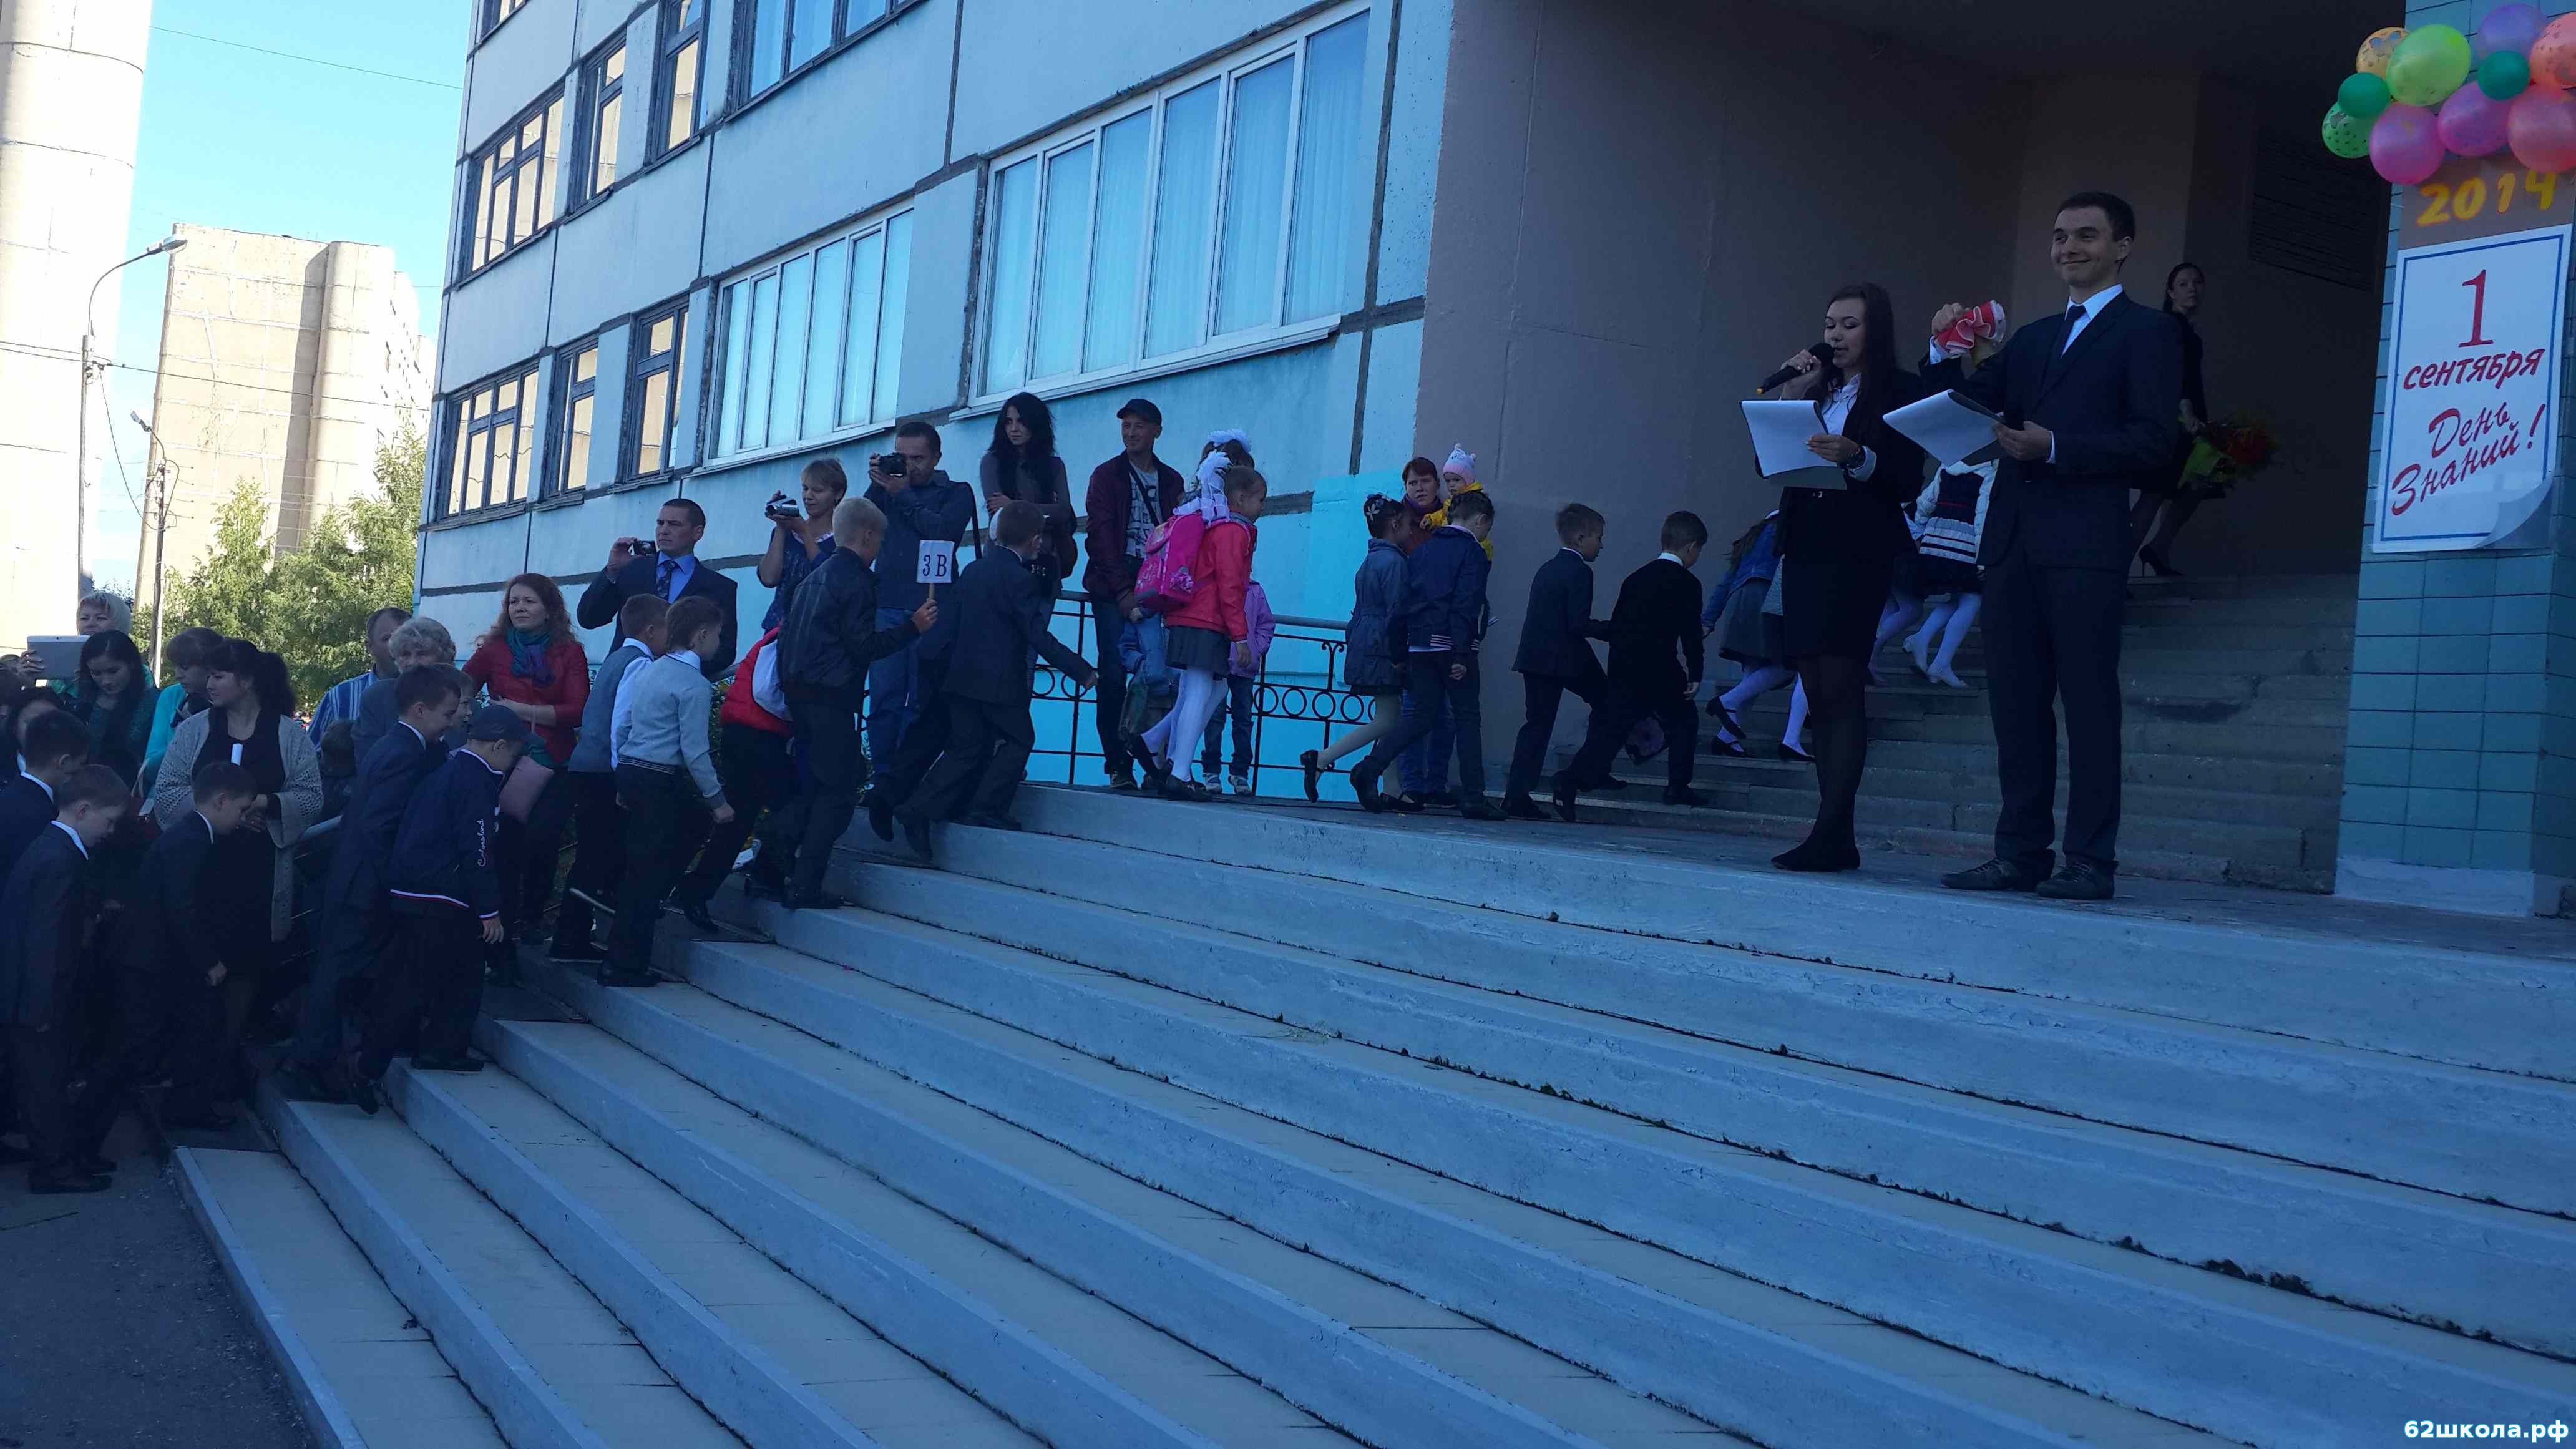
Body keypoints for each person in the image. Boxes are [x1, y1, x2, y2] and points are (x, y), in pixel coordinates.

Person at [1926, 191, 2183, 902]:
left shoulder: (2149, 332)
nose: (2069, 247)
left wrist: (2058, 446)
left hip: (2086, 546)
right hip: (2011, 543)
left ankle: (2091, 861)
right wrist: (1943, 351)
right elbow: (1965, 407)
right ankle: (2019, 854)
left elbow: (2156, 443)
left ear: (2122, 247)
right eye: (2061, 235)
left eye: (2087, 235)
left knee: (2090, 707)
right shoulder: (2035, 338)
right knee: (2016, 707)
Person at [1759, 282, 1931, 873]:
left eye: (1849, 324)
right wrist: (1791, 397)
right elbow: (1771, 463)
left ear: (1874, 331)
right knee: (1814, 684)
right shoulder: (1817, 389)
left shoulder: (1900, 390)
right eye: (1830, 324)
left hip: (1857, 549)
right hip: (1805, 543)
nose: (1835, 335)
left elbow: (1907, 477)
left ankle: (1832, 832)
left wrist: (1856, 456)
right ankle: (1835, 832)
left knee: (1840, 685)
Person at [283, 665, 465, 1097]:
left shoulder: (396, 746)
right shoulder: (404, 753)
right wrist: (395, 883)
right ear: (420, 710)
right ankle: (311, 1062)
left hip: (358, 880)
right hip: (366, 886)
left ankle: (319, 1059)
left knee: (339, 972)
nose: (453, 722)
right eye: (448, 713)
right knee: (338, 975)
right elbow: (381, 826)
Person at [150, 641, 321, 1078]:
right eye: (208, 675)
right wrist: (219, 812)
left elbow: (310, 795)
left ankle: (222, 1065)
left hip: (258, 874)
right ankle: (181, 1066)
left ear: (247, 681)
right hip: (199, 869)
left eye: (218, 676)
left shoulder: (288, 734)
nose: (208, 684)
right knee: (192, 964)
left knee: (245, 967)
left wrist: (263, 803)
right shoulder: (195, 730)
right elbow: (166, 789)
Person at [892, 501, 1098, 862]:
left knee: (965, 748)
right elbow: (1037, 635)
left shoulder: (974, 570)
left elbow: (952, 624)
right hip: (1000, 683)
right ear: (1034, 541)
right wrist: (1080, 670)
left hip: (961, 679)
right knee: (1020, 739)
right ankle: (985, 807)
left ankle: (919, 808)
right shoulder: (1022, 580)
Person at [352, 705, 527, 1102]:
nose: (514, 763)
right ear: (499, 747)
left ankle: (442, 1046)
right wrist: (490, 909)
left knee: (457, 972)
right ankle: (368, 1066)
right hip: (443, 895)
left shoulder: (448, 769)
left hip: (416, 889)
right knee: (416, 981)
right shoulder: (476, 780)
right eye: (515, 754)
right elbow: (477, 847)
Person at [779, 496, 937, 907]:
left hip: (800, 695)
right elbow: (863, 646)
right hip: (833, 697)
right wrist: (912, 628)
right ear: (868, 536)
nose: (880, 549)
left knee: (810, 788)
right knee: (838, 793)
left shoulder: (815, 576)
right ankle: (805, 885)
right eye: (879, 541)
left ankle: (770, 869)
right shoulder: (858, 581)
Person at [92, 760, 263, 1136]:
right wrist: (209, 962)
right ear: (221, 801)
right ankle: (84, 1133)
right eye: (241, 810)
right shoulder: (191, 841)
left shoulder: (191, 835)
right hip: (149, 961)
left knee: (195, 1028)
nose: (243, 819)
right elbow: (180, 906)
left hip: (155, 958)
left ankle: (185, 1105)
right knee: (130, 1050)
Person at [0, 764, 126, 1193]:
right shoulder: (60, 859)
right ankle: (53, 1170)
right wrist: (42, 1009)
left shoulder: (50, 848)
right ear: (84, 810)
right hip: (39, 1001)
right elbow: (45, 941)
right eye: (109, 821)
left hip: (34, 996)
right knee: (45, 1087)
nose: (110, 831)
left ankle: (60, 1161)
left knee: (45, 1084)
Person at [604, 597, 732, 987]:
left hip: (633, 770)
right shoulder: (694, 684)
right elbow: (695, 751)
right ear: (702, 635)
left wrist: (622, 776)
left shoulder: (648, 669)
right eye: (718, 635)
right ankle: (625, 965)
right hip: (659, 776)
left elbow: (622, 723)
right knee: (649, 871)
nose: (719, 643)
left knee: (647, 861)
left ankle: (625, 950)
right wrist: (718, 801)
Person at [1353, 488, 1503, 820]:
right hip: (1452, 646)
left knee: (1420, 717)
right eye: (1487, 528)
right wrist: (1461, 655)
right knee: (1467, 718)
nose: (1485, 534)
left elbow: (1400, 608)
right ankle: (1474, 797)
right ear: (1480, 521)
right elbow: (1465, 605)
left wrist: (1399, 653)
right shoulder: (1473, 553)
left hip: (1419, 646)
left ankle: (1370, 768)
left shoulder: (1422, 551)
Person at [1555, 512, 1711, 822]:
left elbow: (1619, 626)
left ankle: (1571, 780)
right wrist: (1696, 673)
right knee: (1684, 721)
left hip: (1624, 667)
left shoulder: (1635, 578)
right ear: (1692, 547)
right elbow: (1691, 635)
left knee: (1611, 731)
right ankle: (1678, 786)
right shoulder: (1688, 583)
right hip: (1661, 668)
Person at [464, 574, 590, 943]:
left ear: (550, 609)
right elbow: (460, 689)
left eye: (529, 601)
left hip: (555, 761)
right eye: (513, 602)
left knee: (543, 840)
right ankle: (500, 924)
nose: (519, 608)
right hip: (502, 761)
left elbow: (577, 711)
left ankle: (533, 918)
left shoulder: (569, 652)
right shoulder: (494, 649)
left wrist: (518, 710)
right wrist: (479, 721)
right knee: (504, 843)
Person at [1138, 460, 1267, 799]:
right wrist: (1240, 637)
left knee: (1216, 689)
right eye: (1260, 499)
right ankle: (1179, 772)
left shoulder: (1215, 525)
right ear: (1240, 498)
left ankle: (1156, 743)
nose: (1263, 507)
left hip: (1190, 616)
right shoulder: (1233, 532)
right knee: (1198, 690)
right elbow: (1231, 587)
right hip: (1205, 620)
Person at [555, 595, 668, 964]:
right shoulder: (639, 663)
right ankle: (572, 937)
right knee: (599, 854)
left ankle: (570, 936)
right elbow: (623, 723)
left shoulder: (616, 658)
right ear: (651, 630)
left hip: (587, 765)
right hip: (605, 770)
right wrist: (624, 778)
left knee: (592, 854)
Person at [1081, 398, 1187, 789]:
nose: (1131, 433)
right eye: (1126, 426)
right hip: (1116, 580)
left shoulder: (1172, 480)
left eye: (1139, 426)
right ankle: (1117, 763)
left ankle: (1155, 764)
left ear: (1157, 430)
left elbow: (1180, 534)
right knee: (1113, 672)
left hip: (1158, 582)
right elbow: (1100, 538)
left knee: (1162, 672)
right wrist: (1122, 590)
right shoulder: (1106, 475)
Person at [865, 420, 975, 759]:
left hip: (933, 608)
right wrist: (877, 484)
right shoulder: (887, 490)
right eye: (902, 457)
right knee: (883, 701)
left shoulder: (956, 492)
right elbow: (860, 526)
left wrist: (903, 495)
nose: (909, 466)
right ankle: (883, 778)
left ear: (937, 458)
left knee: (922, 701)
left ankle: (911, 777)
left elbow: (943, 534)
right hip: (888, 605)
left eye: (918, 458)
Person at [671, 623, 796, 925]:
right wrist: (800, 717)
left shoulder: (779, 635)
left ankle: (696, 889)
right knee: (792, 804)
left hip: (740, 730)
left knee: (739, 818)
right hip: (759, 734)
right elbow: (767, 691)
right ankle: (766, 872)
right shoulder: (788, 637)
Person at [1300, 497, 1417, 802]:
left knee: (1389, 715)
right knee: (1388, 720)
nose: (1410, 531)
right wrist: (1400, 654)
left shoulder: (1370, 561)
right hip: (1383, 646)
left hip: (1366, 641)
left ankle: (1392, 788)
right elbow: (1397, 612)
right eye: (1407, 525)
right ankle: (1323, 758)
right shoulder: (1395, 562)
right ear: (1395, 525)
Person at [1399, 445, 1492, 809]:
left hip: (1438, 635)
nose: (1419, 488)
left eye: (1426, 481)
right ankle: (1412, 785)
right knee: (1419, 714)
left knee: (1444, 718)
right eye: (1412, 482)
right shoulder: (1400, 521)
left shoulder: (1452, 521)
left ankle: (1434, 783)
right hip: (1429, 635)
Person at [1504, 504, 1612, 818]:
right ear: (1581, 538)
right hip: (1566, 659)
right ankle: (1592, 769)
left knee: (1536, 726)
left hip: (1535, 658)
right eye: (1598, 538)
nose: (1601, 545)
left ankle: (1516, 795)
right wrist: (1613, 630)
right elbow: (1577, 624)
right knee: (1608, 704)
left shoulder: (1547, 568)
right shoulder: (1581, 572)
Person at [578, 498, 739, 678]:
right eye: (660, 523)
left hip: (677, 684)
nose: (664, 530)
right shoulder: (633, 570)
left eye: (674, 524)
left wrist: (677, 667)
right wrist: (612, 571)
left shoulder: (719, 587)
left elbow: (725, 651)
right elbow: (589, 618)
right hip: (623, 678)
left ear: (697, 533)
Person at [1700, 512, 1811, 761]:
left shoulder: (1754, 537)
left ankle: (1726, 738)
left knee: (1753, 672)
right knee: (1788, 666)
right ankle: (1728, 701)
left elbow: (1725, 582)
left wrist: (1708, 620)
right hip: (1766, 597)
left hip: (1740, 600)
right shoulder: (1792, 529)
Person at [2128, 261, 2210, 576]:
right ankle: (2118, 569)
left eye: (2197, 283)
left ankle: (2158, 548)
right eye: (2184, 284)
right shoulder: (2169, 327)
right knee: (2154, 492)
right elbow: (2169, 376)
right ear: (2171, 292)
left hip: (2191, 421)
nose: (2192, 289)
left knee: (2202, 481)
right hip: (2173, 422)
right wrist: (2185, 412)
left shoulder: (2187, 332)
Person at [1905, 463, 1996, 688]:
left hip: (1936, 541)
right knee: (1973, 599)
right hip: (1964, 545)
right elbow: (1983, 519)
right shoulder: (1989, 472)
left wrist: (1922, 534)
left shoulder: (1947, 466)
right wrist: (1983, 560)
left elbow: (1924, 505)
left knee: (1957, 599)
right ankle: (1941, 662)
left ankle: (1922, 639)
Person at [981, 393, 1078, 595]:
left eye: (1021, 421)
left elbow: (1063, 512)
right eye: (1009, 422)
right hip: (1002, 562)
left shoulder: (1054, 466)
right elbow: (1000, 515)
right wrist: (1043, 514)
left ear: (1036, 424)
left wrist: (1013, 505)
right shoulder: (993, 462)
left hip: (1044, 563)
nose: (1014, 429)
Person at [1197, 575, 1273, 796]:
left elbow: (1266, 624)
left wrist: (1256, 648)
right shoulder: (1217, 585)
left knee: (1243, 719)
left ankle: (1240, 772)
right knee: (1215, 717)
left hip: (1244, 664)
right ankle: (1212, 770)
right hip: (1219, 661)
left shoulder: (1255, 591)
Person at [758, 458, 850, 631]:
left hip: (817, 630)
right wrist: (781, 527)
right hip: (778, 628)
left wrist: (804, 533)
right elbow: (769, 579)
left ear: (838, 494)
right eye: (805, 488)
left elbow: (829, 581)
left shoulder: (842, 539)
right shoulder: (787, 533)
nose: (808, 496)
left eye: (818, 490)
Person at [353, 617, 460, 764]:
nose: (412, 662)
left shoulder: (463, 702)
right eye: (405, 655)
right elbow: (367, 761)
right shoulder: (378, 698)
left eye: (422, 654)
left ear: (444, 657)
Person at [2, 710, 92, 878]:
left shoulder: (8, 796)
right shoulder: (43, 816)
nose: (80, 772)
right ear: (64, 762)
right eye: (80, 764)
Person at [62, 630, 154, 788]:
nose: (106, 681)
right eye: (96, 673)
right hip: (83, 790)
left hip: (135, 792)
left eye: (113, 671)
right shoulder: (79, 702)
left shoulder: (154, 702)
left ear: (132, 665)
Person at [141, 627, 225, 794]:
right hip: (165, 796)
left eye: (185, 667)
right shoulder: (171, 696)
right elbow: (149, 769)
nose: (177, 675)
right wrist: (186, 733)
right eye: (176, 667)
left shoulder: (231, 699)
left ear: (210, 666)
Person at [310, 607, 412, 742]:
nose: (400, 647)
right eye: (388, 639)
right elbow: (310, 752)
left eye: (407, 638)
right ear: (370, 647)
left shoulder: (433, 694)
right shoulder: (340, 698)